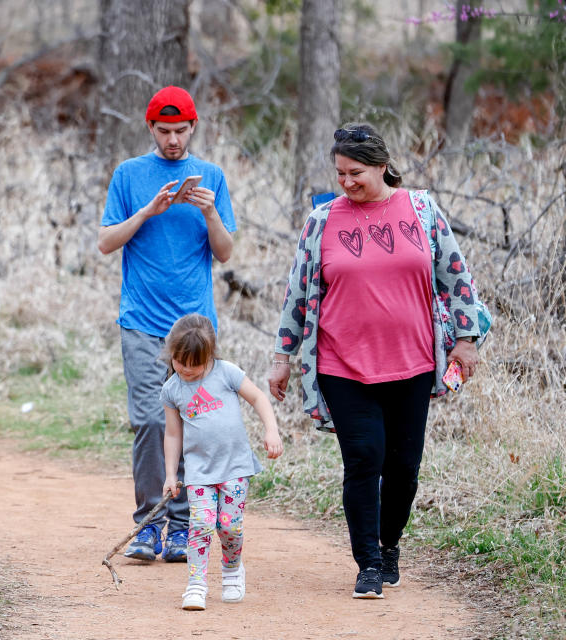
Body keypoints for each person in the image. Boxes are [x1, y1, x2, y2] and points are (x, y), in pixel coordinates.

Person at [267, 123, 485, 599]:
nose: (346, 182)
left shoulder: (422, 209)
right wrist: (283, 356)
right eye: (341, 173)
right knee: (364, 458)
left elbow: (457, 277)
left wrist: (466, 339)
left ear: (383, 166)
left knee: (404, 467)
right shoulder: (322, 221)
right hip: (343, 364)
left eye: (356, 172)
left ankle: (389, 548)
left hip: (412, 363)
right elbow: (298, 293)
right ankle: (367, 562)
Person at [98, 86, 237, 562]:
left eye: (181, 131)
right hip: (140, 321)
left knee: (192, 423)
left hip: (194, 328)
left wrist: (209, 210)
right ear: (150, 128)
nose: (174, 140)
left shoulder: (212, 177)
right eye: (165, 131)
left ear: (193, 127)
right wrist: (147, 212)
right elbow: (105, 242)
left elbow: (225, 252)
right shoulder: (129, 174)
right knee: (149, 420)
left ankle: (183, 527)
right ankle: (149, 525)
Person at [160, 314, 283, 610]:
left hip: (235, 468)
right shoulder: (172, 390)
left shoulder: (227, 372)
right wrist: (169, 475)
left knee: (229, 526)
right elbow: (173, 435)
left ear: (210, 355)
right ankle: (196, 584)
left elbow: (258, 399)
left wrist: (271, 430)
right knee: (201, 524)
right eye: (180, 363)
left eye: (195, 364)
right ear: (172, 356)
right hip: (199, 472)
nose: (187, 370)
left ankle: (231, 568)